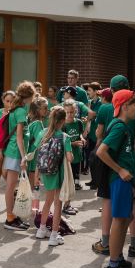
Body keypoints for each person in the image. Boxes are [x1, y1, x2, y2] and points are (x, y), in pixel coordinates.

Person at [91, 76, 135, 259]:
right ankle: (117, 260)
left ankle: (113, 253)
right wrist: (120, 170)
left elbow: (100, 134)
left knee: (123, 215)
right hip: (119, 176)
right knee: (121, 218)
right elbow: (102, 151)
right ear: (124, 106)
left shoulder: (114, 117)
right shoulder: (119, 126)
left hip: (123, 177)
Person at [35, 105, 73, 247]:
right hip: (59, 174)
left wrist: (37, 175)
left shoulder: (43, 133)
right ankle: (54, 235)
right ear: (63, 121)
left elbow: (38, 154)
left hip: (46, 173)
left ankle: (41, 229)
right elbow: (70, 158)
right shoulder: (65, 137)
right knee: (58, 204)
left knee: (48, 201)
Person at [0, 81, 35, 231]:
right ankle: (10, 219)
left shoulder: (17, 109)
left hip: (13, 151)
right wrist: (23, 157)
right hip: (15, 153)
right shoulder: (20, 111)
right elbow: (19, 136)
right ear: (29, 96)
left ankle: (13, 216)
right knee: (10, 187)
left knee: (11, 186)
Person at [25, 97, 49, 225]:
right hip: (35, 159)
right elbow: (40, 142)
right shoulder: (38, 124)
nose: (47, 110)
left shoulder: (32, 122)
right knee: (35, 187)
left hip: (30, 158)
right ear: (38, 109)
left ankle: (32, 211)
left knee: (32, 186)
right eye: (45, 108)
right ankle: (34, 213)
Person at [61, 99, 86, 217]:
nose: (70, 114)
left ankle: (68, 204)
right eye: (67, 112)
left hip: (77, 156)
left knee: (74, 182)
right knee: (67, 182)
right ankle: (65, 205)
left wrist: (82, 139)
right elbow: (61, 142)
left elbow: (80, 134)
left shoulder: (79, 122)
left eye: (72, 112)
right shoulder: (63, 125)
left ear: (75, 111)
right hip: (67, 157)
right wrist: (73, 143)